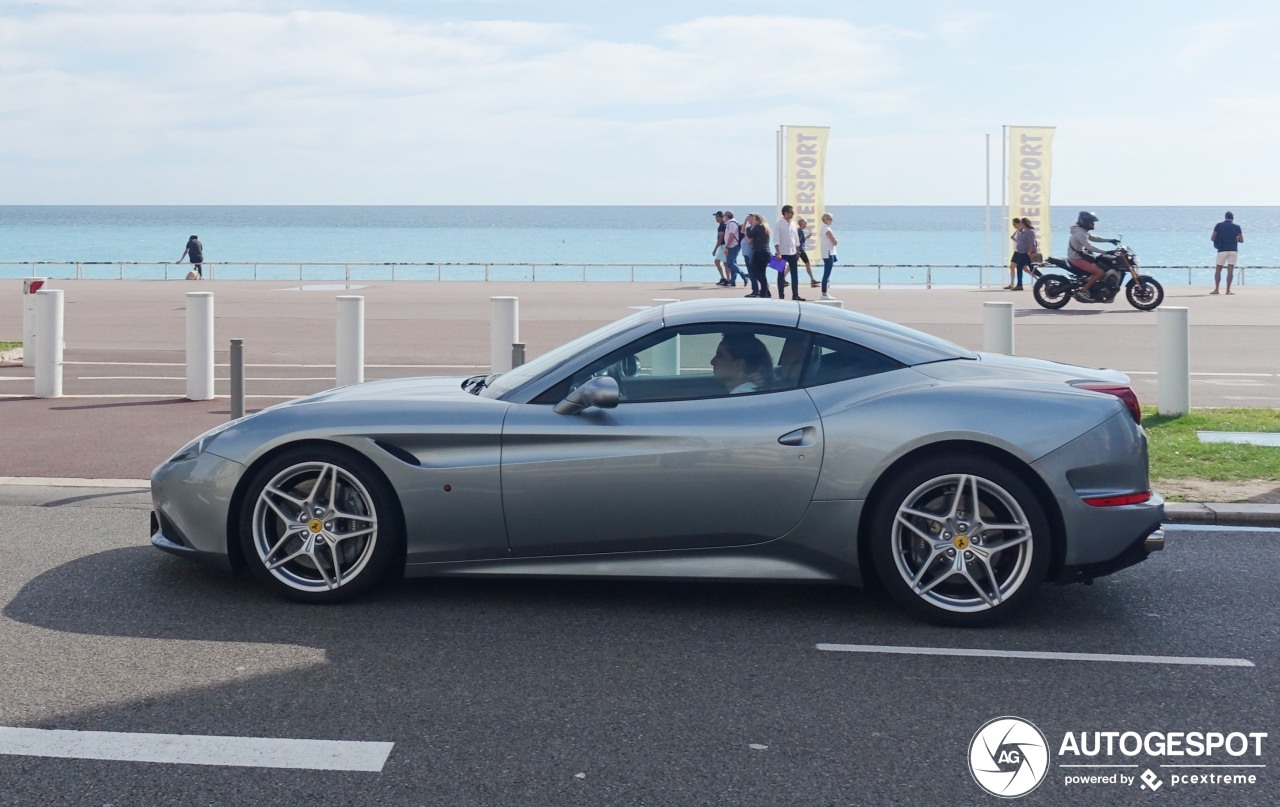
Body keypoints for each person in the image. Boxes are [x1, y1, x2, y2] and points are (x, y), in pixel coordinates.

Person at [1067, 211, 1116, 301]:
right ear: (1085, 222)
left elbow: (1094, 238)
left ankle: (1094, 286)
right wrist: (1105, 252)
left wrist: (1110, 240)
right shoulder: (1080, 233)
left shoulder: (1082, 231)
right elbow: (1089, 246)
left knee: (1102, 265)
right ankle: (1083, 290)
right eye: (1091, 222)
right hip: (1077, 259)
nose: (1093, 224)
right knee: (1099, 272)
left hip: (1081, 256)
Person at [773, 205, 804, 301]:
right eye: (791, 212)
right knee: (780, 275)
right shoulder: (778, 223)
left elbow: (796, 239)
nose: (792, 214)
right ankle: (781, 295)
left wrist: (798, 252)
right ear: (785, 213)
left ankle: (795, 295)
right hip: (781, 252)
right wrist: (778, 253)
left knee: (795, 275)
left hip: (792, 252)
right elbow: (776, 240)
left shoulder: (793, 224)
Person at [1211, 211, 1244, 295]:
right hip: (1233, 250)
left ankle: (1216, 289)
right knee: (1230, 271)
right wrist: (1234, 239)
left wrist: (1219, 240)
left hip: (1222, 250)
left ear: (1225, 217)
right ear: (1232, 218)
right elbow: (1241, 240)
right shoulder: (1237, 227)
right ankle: (1228, 290)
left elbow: (1212, 237)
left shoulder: (1219, 225)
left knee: (1218, 270)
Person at [744, 213, 772, 297]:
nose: (752, 221)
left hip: (759, 253)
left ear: (757, 220)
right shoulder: (765, 227)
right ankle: (766, 291)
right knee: (761, 273)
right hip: (766, 252)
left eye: (753, 220)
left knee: (757, 273)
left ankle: (764, 292)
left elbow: (749, 235)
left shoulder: (758, 227)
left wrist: (748, 228)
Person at [1010, 218, 1037, 290]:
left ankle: (1043, 280)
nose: (1014, 226)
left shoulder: (1029, 231)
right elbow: (1014, 238)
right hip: (1020, 252)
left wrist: (1029, 252)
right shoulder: (1022, 231)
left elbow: (1031, 243)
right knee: (1017, 267)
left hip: (1025, 253)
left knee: (1030, 268)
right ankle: (1017, 284)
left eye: (1015, 224)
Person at [721, 210, 745, 288]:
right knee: (732, 263)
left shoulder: (731, 224)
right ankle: (733, 281)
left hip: (733, 245)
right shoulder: (730, 223)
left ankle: (744, 275)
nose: (723, 218)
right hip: (733, 245)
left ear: (727, 216)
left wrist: (727, 247)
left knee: (730, 263)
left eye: (724, 216)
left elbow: (731, 236)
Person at [818, 212, 838, 299]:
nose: (832, 220)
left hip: (828, 252)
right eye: (830, 219)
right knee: (827, 273)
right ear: (826, 220)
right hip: (828, 253)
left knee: (827, 272)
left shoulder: (824, 228)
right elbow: (834, 241)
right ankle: (824, 293)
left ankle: (824, 292)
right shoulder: (827, 229)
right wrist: (836, 240)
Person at [796, 218, 817, 287]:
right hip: (800, 251)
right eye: (805, 222)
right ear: (801, 223)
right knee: (807, 264)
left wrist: (807, 237)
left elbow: (800, 239)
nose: (806, 224)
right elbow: (797, 241)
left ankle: (812, 279)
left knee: (806, 264)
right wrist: (797, 251)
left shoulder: (800, 231)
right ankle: (812, 279)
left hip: (800, 250)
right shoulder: (800, 231)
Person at [1004, 218, 1024, 289]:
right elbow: (1012, 237)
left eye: (1014, 224)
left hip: (1020, 251)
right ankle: (1012, 284)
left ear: (1018, 223)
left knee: (1026, 269)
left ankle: (1041, 280)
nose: (1013, 226)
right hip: (1016, 251)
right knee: (1012, 266)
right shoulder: (1017, 231)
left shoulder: (1022, 231)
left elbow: (1022, 240)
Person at [711, 212, 728, 286]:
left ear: (721, 217)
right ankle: (723, 278)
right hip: (721, 246)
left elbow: (720, 238)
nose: (716, 218)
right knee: (717, 262)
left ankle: (728, 279)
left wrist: (715, 249)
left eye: (717, 217)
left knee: (725, 263)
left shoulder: (722, 226)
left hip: (723, 246)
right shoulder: (722, 225)